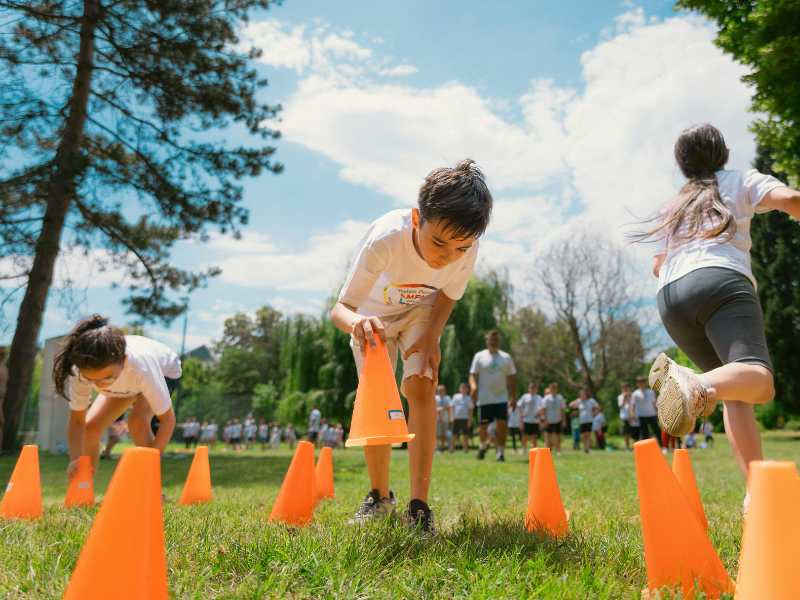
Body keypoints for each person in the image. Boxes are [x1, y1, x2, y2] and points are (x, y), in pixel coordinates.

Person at [330, 159, 492, 533]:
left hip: (422, 309)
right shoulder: (385, 239)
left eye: (461, 247)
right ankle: (379, 495)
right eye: (438, 242)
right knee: (379, 394)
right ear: (418, 219)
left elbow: (449, 294)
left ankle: (419, 506)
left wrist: (432, 338)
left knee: (421, 383)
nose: (447, 256)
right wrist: (359, 325)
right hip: (372, 317)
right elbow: (340, 310)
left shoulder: (465, 251)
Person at [642, 124, 799, 510]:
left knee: (736, 394)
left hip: (671, 297)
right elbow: (791, 198)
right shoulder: (740, 178)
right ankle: (693, 383)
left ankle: (759, 494)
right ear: (723, 153)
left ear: (683, 165)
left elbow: (657, 265)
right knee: (759, 381)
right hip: (720, 282)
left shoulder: (675, 204)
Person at [54, 315, 180, 480]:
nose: (100, 385)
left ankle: (153, 490)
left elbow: (167, 421)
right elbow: (77, 421)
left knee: (137, 421)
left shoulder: (141, 368)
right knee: (90, 428)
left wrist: (152, 462)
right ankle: (84, 487)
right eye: (92, 379)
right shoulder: (80, 372)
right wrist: (75, 459)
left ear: (124, 361)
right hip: (126, 382)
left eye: (106, 377)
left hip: (165, 370)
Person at [470, 330, 518, 462]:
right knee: (483, 427)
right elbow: (472, 375)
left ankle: (500, 453)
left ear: (499, 342)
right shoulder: (479, 356)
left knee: (502, 425)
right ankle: (483, 446)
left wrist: (513, 397)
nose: (493, 342)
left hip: (501, 397)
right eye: (491, 340)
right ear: (487, 341)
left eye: (495, 340)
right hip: (484, 398)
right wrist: (473, 386)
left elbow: (512, 377)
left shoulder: (506, 357)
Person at [569, 387, 600, 453]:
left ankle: (588, 448)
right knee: (583, 436)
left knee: (588, 435)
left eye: (583, 394)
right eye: (581, 394)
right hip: (582, 421)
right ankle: (585, 447)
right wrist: (576, 403)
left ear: (586, 394)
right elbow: (570, 405)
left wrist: (595, 414)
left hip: (589, 420)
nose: (582, 395)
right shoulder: (579, 401)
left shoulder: (591, 400)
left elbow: (597, 407)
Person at [632, 376, 661, 445]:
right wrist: (633, 414)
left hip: (652, 414)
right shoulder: (635, 394)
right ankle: (647, 448)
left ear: (645, 383)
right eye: (639, 382)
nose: (641, 384)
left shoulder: (650, 392)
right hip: (641, 415)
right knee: (645, 433)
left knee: (657, 430)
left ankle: (662, 446)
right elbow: (633, 405)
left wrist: (657, 412)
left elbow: (654, 403)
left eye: (642, 382)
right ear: (637, 384)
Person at [543, 383, 567, 454]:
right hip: (549, 420)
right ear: (550, 389)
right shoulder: (546, 398)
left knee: (557, 436)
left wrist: (564, 420)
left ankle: (558, 450)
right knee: (548, 436)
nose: (553, 390)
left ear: (556, 389)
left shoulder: (560, 398)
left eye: (554, 388)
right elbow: (544, 410)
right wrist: (545, 419)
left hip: (558, 420)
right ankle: (548, 451)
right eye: (551, 388)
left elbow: (562, 410)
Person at [519, 382, 543, 452]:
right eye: (531, 388)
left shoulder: (539, 397)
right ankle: (524, 449)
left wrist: (539, 414)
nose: (532, 389)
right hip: (526, 420)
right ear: (528, 389)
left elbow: (542, 407)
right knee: (525, 436)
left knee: (534, 436)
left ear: (536, 389)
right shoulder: (525, 396)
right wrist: (522, 414)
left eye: (534, 388)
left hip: (535, 420)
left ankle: (534, 449)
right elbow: (519, 406)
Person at [450, 383, 473, 452]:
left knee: (465, 434)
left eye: (465, 388)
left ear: (467, 390)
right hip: (456, 418)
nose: (463, 389)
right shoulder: (455, 397)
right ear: (459, 389)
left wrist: (470, 420)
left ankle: (465, 449)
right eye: (462, 388)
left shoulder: (469, 398)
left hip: (465, 418)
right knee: (454, 434)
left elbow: (470, 409)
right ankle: (452, 448)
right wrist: (452, 416)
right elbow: (452, 407)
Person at [435, 384, 453, 453]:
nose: (440, 391)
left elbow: (449, 407)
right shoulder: (435, 398)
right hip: (437, 419)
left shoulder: (447, 398)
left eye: (442, 390)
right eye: (439, 390)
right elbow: (434, 408)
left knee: (444, 434)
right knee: (437, 434)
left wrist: (441, 409)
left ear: (445, 391)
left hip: (446, 419)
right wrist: (442, 408)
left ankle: (442, 448)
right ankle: (437, 448)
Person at [617, 383, 634, 450]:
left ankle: (633, 446)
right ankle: (627, 447)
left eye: (626, 388)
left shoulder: (632, 396)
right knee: (625, 433)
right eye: (624, 388)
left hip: (632, 417)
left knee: (633, 432)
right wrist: (624, 398)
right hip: (624, 417)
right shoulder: (620, 397)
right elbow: (620, 406)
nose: (625, 389)